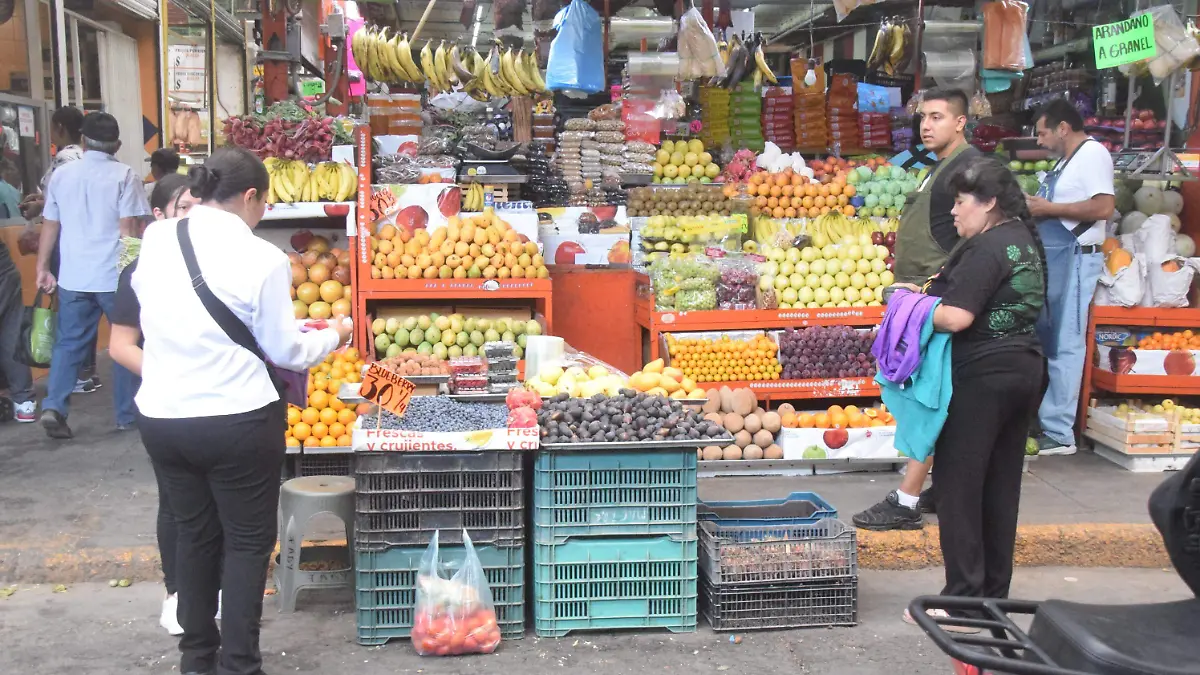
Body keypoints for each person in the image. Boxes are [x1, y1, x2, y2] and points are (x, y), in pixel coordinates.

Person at [120, 147, 350, 675]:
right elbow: (286, 350)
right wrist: (335, 335)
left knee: (194, 535)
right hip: (237, 419)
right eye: (263, 203)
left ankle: (196, 659)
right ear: (249, 197)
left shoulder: (158, 238)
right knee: (246, 544)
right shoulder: (262, 258)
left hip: (164, 416)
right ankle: (240, 664)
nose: (262, 213)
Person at [901, 155, 1047, 628]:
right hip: (1022, 371)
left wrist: (910, 307)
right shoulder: (1021, 238)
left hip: (983, 377)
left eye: (961, 202)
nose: (954, 212)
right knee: (1000, 488)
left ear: (988, 204)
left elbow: (958, 317)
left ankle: (962, 599)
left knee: (959, 488)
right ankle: (992, 596)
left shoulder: (987, 248)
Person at [854, 88, 982, 532]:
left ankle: (905, 500)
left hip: (938, 299)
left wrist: (939, 288)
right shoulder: (938, 168)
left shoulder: (967, 169)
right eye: (924, 117)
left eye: (938, 117)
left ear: (961, 122)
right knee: (938, 398)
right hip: (922, 296)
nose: (927, 125)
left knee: (928, 400)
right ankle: (945, 488)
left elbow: (974, 240)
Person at [109, 174, 208, 635]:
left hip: (221, 403)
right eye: (183, 208)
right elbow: (120, 345)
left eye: (199, 207)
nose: (192, 217)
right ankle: (177, 594)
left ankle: (213, 590)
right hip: (169, 406)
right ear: (159, 214)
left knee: (219, 504)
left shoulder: (224, 262)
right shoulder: (140, 271)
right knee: (177, 503)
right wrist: (170, 376)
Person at [34, 111, 147, 439]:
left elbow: (50, 225)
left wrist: (42, 268)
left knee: (69, 343)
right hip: (113, 277)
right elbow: (128, 230)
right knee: (126, 342)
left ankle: (54, 406)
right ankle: (127, 415)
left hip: (73, 276)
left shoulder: (61, 175)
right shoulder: (125, 175)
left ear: (83, 141)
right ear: (118, 145)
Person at [1027, 99, 1115, 456]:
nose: (1039, 141)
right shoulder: (1066, 160)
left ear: (1063, 128)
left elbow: (1104, 207)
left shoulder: (1093, 154)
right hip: (1058, 259)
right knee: (1051, 341)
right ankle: (1047, 420)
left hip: (1077, 259)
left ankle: (1060, 432)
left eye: (1042, 133)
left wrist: (1050, 208)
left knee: (1066, 344)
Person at [19, 106, 102, 395]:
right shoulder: (88, 158)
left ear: (60, 128)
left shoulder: (65, 159)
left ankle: (73, 375)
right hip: (87, 243)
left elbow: (61, 201)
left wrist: (38, 206)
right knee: (87, 310)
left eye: (53, 127)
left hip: (65, 242)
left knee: (69, 312)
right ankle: (88, 371)